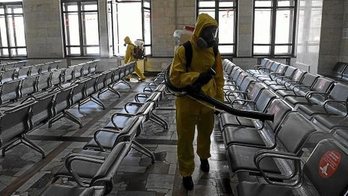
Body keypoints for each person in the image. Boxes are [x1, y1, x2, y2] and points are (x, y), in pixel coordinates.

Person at [169, 13, 224, 190]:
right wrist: (198, 77)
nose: (211, 37)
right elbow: (175, 78)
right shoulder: (184, 50)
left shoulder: (214, 51)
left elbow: (220, 79)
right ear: (199, 30)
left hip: (207, 102)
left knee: (205, 134)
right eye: (208, 32)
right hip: (187, 103)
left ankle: (204, 156)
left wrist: (219, 101)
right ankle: (186, 172)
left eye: (213, 33)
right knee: (185, 139)